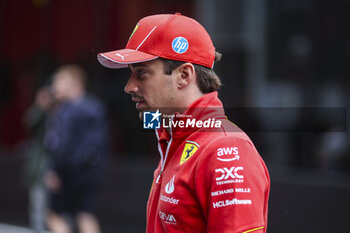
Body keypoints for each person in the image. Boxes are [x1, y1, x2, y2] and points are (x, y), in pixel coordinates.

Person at [97, 13, 270, 233]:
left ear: (184, 75)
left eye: (141, 73)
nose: (129, 87)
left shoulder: (227, 149)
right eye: (131, 75)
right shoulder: (171, 136)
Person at [45, 65, 108, 233]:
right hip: (91, 172)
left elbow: (61, 145)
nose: (54, 87)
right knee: (86, 215)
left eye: (59, 82)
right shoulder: (96, 106)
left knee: (53, 215)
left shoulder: (67, 110)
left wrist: (55, 171)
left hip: (67, 172)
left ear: (74, 84)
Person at [23, 86, 53, 233]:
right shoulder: (39, 113)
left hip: (58, 166)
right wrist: (41, 106)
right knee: (38, 204)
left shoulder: (61, 111)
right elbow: (29, 123)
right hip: (40, 165)